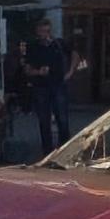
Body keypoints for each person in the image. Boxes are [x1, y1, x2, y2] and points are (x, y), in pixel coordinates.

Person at [25, 19, 82, 155]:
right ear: (38, 32)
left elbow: (75, 54)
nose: (46, 34)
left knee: (62, 118)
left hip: (58, 85)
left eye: (48, 31)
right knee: (44, 120)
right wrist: (38, 72)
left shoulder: (59, 44)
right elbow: (27, 69)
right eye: (43, 31)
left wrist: (70, 72)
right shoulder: (33, 47)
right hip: (41, 87)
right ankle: (47, 151)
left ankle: (64, 150)